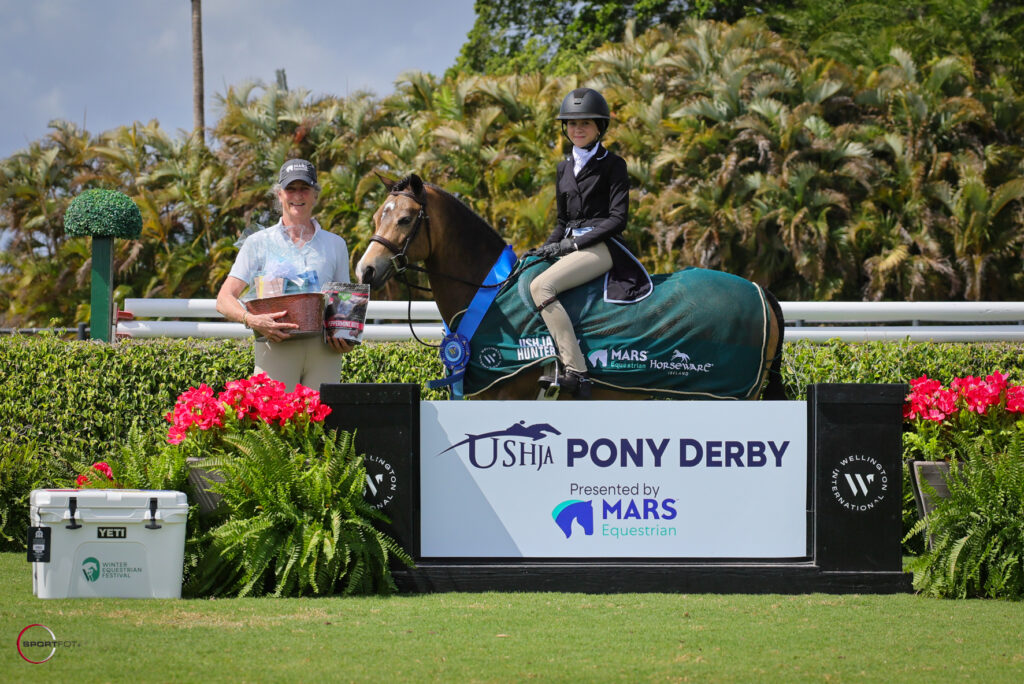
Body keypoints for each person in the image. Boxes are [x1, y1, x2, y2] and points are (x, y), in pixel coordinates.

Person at [526, 87, 652, 399]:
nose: (577, 129)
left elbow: (617, 219)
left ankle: (577, 372)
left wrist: (574, 245)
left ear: (599, 128)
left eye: (585, 123)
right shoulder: (563, 168)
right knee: (527, 275)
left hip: (603, 247)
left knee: (542, 287)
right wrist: (544, 249)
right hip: (570, 246)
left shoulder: (614, 164)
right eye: (571, 123)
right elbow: (562, 222)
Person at [216, 159, 354, 390]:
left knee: (323, 414)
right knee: (272, 413)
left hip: (325, 352)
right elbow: (223, 299)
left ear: (315, 195)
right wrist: (252, 320)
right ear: (279, 194)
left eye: (304, 188)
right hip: (275, 347)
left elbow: (344, 303)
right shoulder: (257, 242)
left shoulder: (336, 244)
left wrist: (347, 337)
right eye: (291, 188)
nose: (297, 195)